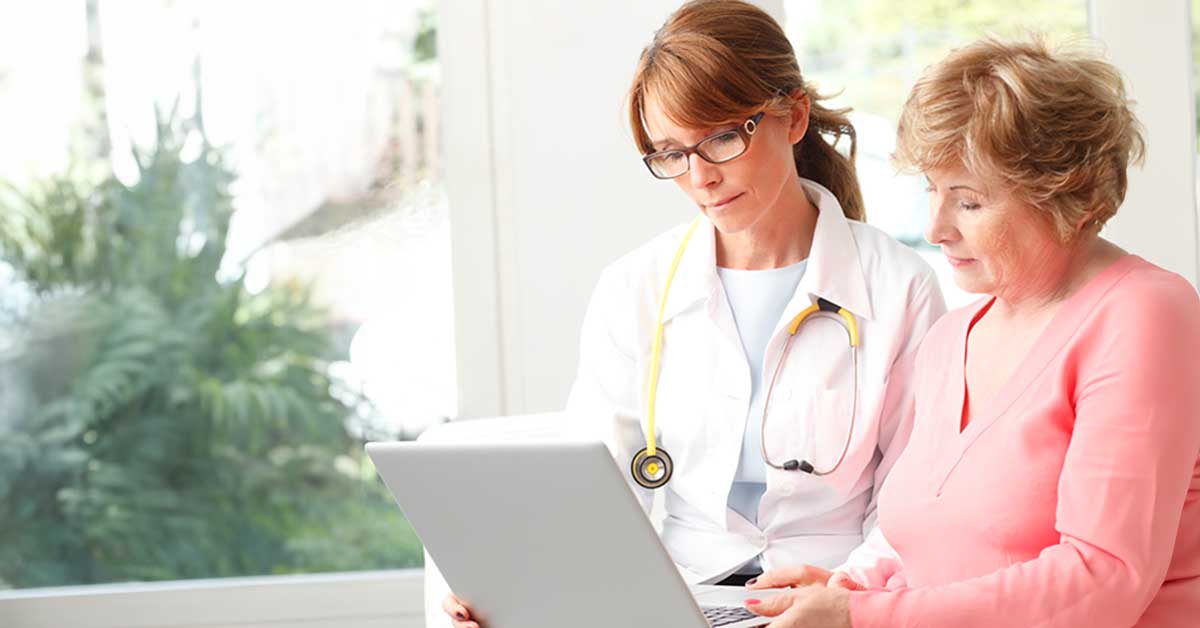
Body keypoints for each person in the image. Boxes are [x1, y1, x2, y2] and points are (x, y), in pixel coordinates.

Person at [442, 1, 946, 624]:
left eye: (722, 138)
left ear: (793, 116)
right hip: (677, 601)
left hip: (834, 601)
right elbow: (590, 495)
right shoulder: (636, 290)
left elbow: (911, 507)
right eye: (672, 154)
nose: (700, 176)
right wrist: (515, 586)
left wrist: (845, 594)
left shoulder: (900, 289)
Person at [741, 37, 1200, 628]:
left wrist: (865, 616)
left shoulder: (1145, 314)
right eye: (932, 191)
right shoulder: (953, 336)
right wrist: (851, 586)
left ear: (1066, 193)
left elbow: (1102, 580)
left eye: (970, 202)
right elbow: (946, 554)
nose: (936, 228)